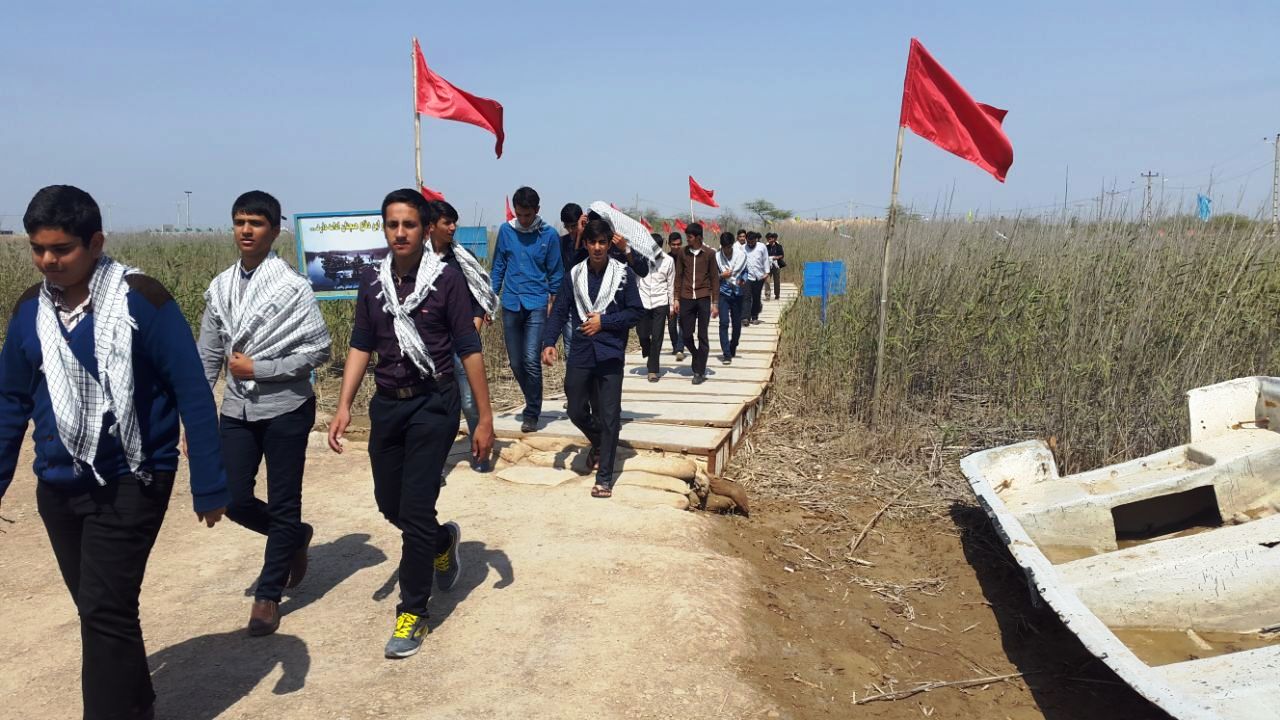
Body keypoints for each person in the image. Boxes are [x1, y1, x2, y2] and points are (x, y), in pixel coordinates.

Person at [0, 185, 228, 720]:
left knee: (104, 607)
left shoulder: (142, 302)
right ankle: (137, 703)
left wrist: (211, 482)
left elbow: (191, 389)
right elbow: (10, 400)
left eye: (61, 250)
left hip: (134, 476)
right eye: (38, 249)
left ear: (95, 243)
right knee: (101, 609)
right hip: (59, 481)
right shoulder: (31, 310)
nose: (48, 261)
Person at [327, 189, 495, 660]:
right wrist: (344, 405)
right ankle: (442, 541)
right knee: (390, 503)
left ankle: (413, 611)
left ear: (424, 230)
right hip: (387, 405)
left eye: (409, 225)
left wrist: (483, 417)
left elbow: (469, 350)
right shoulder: (371, 280)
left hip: (432, 406)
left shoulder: (446, 283)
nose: (400, 233)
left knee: (416, 509)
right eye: (392, 224)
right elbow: (362, 343)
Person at [198, 190, 331, 636]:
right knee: (233, 497)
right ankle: (292, 535)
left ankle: (268, 595)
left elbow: (319, 349)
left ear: (274, 231)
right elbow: (208, 356)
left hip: (287, 406)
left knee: (284, 498)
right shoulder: (220, 288)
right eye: (240, 222)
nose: (246, 230)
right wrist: (196, 417)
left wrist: (263, 368)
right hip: (236, 407)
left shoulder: (293, 287)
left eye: (256, 223)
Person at [541, 215, 642, 498]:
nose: (597, 247)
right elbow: (560, 310)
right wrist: (549, 342)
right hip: (582, 351)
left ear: (610, 244)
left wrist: (604, 322)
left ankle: (605, 478)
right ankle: (601, 442)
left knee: (610, 415)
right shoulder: (573, 275)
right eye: (592, 242)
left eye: (602, 242)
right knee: (574, 408)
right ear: (584, 244)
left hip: (610, 352)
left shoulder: (623, 274)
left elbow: (635, 312)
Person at [426, 199, 498, 472]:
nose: (453, 227)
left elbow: (479, 293)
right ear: (431, 226)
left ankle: (480, 451)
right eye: (448, 222)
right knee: (436, 405)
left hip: (463, 342)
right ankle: (433, 463)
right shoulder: (417, 261)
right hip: (430, 346)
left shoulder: (462, 258)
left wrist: (475, 322)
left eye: (454, 221)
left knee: (469, 400)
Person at [490, 186, 563, 433]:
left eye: (527, 215)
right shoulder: (506, 232)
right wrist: (490, 298)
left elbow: (555, 272)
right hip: (511, 302)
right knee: (515, 362)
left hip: (537, 304)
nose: (523, 219)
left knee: (531, 360)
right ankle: (532, 398)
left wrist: (555, 302)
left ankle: (532, 411)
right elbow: (498, 265)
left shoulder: (549, 235)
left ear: (537, 211)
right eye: (519, 214)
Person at [671, 223, 719, 385]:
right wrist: (676, 298)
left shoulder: (710, 254)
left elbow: (714, 278)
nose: (687, 240)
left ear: (698, 237)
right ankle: (697, 355)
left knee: (702, 335)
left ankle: (699, 370)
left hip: (703, 297)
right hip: (685, 297)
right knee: (685, 334)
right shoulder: (683, 253)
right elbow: (678, 276)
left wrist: (715, 302)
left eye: (689, 237)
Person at [636, 232, 676, 381]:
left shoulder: (668, 261)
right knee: (643, 334)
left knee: (657, 336)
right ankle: (647, 350)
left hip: (661, 302)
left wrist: (671, 305)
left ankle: (653, 370)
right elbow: (635, 279)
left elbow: (671, 284)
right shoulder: (640, 259)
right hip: (643, 301)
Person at [557, 203, 586, 357]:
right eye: (568, 227)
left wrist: (582, 237)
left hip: (590, 302)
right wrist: (577, 238)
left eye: (574, 226)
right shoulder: (562, 242)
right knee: (570, 345)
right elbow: (570, 268)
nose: (572, 230)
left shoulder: (593, 241)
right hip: (570, 301)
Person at [715, 233, 748, 365]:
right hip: (723, 293)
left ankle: (733, 345)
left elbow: (745, 271)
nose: (727, 250)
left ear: (732, 245)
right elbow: (713, 276)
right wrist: (722, 275)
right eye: (724, 247)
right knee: (723, 323)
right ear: (721, 246)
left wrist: (743, 280)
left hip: (737, 293)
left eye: (729, 247)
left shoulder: (740, 256)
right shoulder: (717, 257)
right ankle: (726, 353)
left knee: (736, 324)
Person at [666, 232, 686, 360]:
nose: (676, 247)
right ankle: (675, 346)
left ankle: (680, 348)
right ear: (669, 245)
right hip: (670, 295)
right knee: (671, 324)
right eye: (673, 245)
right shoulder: (666, 259)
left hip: (684, 295)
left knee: (683, 323)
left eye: (678, 244)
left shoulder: (686, 258)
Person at [744, 231, 771, 324]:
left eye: (752, 242)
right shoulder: (743, 248)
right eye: (749, 242)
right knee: (746, 297)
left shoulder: (762, 247)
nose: (750, 244)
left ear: (756, 240)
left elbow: (765, 259)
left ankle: (754, 316)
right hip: (747, 277)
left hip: (759, 276)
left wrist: (766, 272)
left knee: (756, 297)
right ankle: (746, 318)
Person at [765, 232, 785, 301]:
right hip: (767, 266)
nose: (769, 240)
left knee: (776, 281)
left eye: (770, 239)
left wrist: (776, 257)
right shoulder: (765, 247)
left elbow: (782, 255)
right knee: (767, 281)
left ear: (773, 239)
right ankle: (767, 295)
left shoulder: (779, 246)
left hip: (776, 266)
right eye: (768, 239)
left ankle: (777, 295)